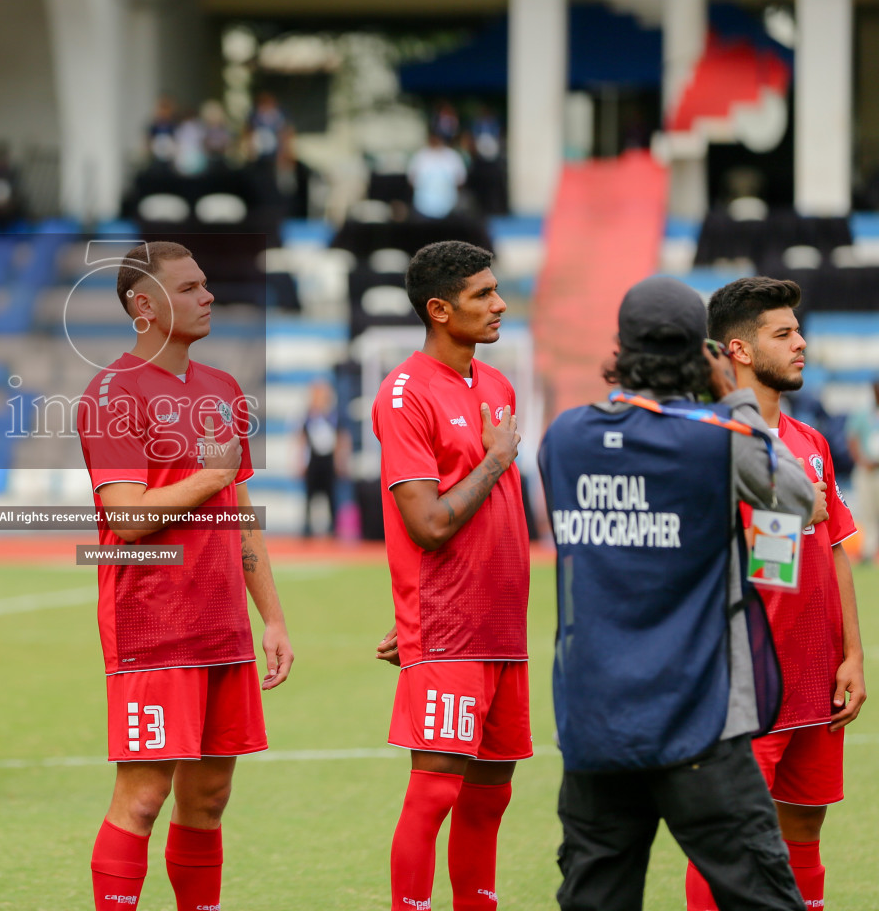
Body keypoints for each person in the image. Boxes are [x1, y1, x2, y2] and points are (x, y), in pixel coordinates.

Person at [538, 275, 818, 911]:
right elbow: (800, 500)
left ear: (619, 345)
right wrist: (735, 402)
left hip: (595, 724)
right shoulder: (718, 438)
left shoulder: (566, 437)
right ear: (705, 353)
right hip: (700, 722)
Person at [77, 240, 294, 911]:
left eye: (206, 285)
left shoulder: (223, 389)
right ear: (144, 306)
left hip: (222, 624)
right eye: (192, 287)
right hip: (153, 626)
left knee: (210, 798)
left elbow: (240, 514)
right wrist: (209, 475)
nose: (208, 297)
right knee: (143, 798)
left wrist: (273, 616)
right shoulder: (110, 393)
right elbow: (129, 520)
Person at [683, 277, 867, 910]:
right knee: (725, 837)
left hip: (817, 676)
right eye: (783, 334)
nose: (801, 344)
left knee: (805, 830)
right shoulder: (709, 441)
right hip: (747, 682)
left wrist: (853, 657)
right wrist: (787, 513)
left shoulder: (811, 443)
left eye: (799, 330)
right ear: (738, 349)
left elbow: (833, 549)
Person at [371, 239, 529, 911]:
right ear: (439, 310)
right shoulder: (403, 394)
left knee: (491, 797)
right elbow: (428, 523)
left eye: (496, 290)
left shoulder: (495, 384)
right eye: (482, 296)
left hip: (502, 626)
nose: (498, 305)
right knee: (436, 790)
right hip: (452, 629)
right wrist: (495, 459)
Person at [846, 379, 879, 566]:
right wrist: (862, 460)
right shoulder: (863, 412)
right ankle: (869, 550)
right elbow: (852, 438)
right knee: (868, 511)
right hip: (866, 469)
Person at [298, 378, 347, 539]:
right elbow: (301, 440)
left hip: (329, 461)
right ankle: (307, 528)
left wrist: (340, 461)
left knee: (331, 496)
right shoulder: (307, 417)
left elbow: (341, 439)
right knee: (309, 496)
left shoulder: (334, 417)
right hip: (313, 460)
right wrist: (300, 461)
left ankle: (333, 527)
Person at [407, 131, 467, 220]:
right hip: (423, 209)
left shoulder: (453, 156)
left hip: (448, 210)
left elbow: (460, 182)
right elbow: (411, 181)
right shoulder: (420, 156)